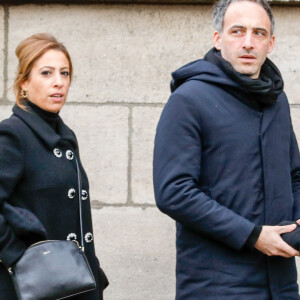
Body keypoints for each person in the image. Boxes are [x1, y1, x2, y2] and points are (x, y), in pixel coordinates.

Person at [153, 0, 300, 299]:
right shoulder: (189, 99)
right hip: (218, 286)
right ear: (218, 39)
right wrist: (253, 236)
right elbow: (173, 191)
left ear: (270, 43)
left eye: (259, 33)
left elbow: (294, 176)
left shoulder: (277, 102)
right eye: (237, 31)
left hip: (281, 284)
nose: (248, 42)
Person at [0, 33, 108, 300]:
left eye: (65, 73)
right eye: (46, 73)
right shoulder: (12, 135)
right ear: (24, 82)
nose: (58, 82)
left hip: (75, 285)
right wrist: (20, 259)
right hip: (34, 288)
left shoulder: (65, 137)